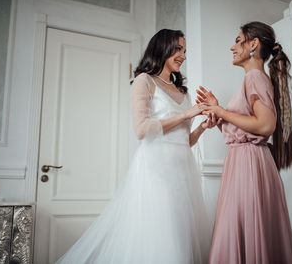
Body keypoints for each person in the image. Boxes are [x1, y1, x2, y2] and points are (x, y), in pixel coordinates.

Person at [56, 29, 215, 264]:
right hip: (156, 170)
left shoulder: (183, 92)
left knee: (182, 233)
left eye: (185, 50)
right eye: (178, 49)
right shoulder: (144, 81)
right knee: (162, 233)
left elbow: (184, 141)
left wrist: (202, 127)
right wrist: (186, 115)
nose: (183, 55)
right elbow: (142, 129)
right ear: (162, 48)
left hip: (184, 171)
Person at [197, 21, 292, 264]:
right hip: (246, 161)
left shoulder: (254, 77)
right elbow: (245, 129)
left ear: (253, 44)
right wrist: (218, 114)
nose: (232, 47)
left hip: (249, 164)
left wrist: (220, 110)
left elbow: (265, 126)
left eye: (238, 41)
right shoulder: (254, 78)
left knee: (245, 227)